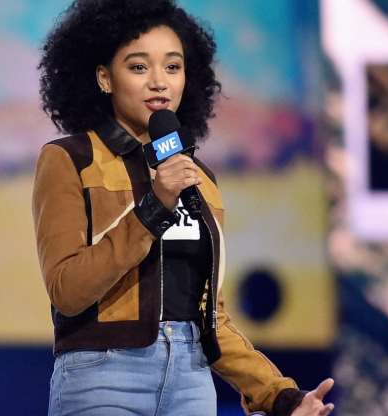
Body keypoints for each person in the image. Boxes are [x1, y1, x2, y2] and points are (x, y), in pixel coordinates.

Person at [32, 1, 335, 415]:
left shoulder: (200, 179)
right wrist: (155, 204)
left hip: (191, 380)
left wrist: (280, 395)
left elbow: (214, 318)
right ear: (104, 78)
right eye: (139, 67)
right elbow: (68, 290)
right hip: (104, 375)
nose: (159, 82)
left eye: (172, 67)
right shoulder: (70, 160)